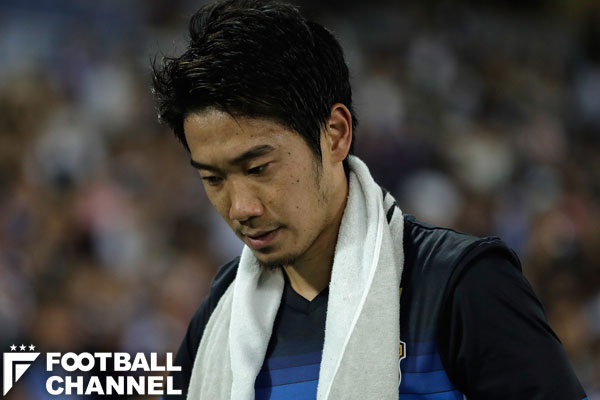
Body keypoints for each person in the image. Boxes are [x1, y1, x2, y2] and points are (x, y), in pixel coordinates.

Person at [152, 0, 588, 399]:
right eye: (212, 178)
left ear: (335, 134)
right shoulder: (219, 315)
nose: (240, 207)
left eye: (258, 168)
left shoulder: (461, 285)